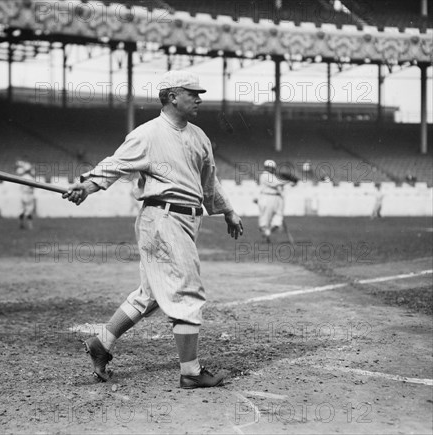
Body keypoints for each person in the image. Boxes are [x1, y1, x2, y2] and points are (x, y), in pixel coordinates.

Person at [63, 70, 244, 389]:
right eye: (193, 93)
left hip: (187, 220)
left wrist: (227, 210)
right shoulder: (148, 134)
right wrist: (87, 186)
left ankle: (101, 343)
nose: (199, 98)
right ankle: (190, 372)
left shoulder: (199, 136)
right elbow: (115, 164)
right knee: (186, 289)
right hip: (163, 218)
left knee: (151, 294)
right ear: (173, 96)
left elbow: (209, 181)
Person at [257, 160, 297, 243]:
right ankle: (266, 231)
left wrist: (291, 183)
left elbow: (280, 185)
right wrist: (289, 181)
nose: (273, 169)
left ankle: (268, 232)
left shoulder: (273, 176)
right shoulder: (265, 175)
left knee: (278, 219)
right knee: (265, 218)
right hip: (267, 197)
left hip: (277, 198)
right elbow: (275, 183)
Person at [16, 162, 36, 229]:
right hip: (29, 195)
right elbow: (33, 187)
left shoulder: (21, 177)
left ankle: (21, 224)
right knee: (29, 211)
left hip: (22, 195)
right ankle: (30, 226)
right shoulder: (31, 178)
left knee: (21, 210)